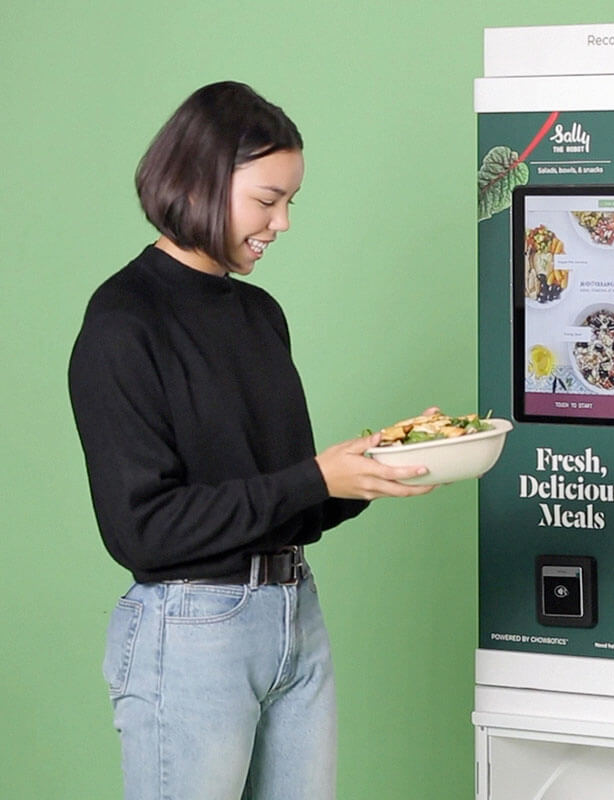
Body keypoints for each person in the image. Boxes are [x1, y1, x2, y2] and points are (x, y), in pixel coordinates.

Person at [68, 81, 432, 800]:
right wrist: (315, 480)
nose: (283, 223)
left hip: (295, 613)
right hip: (192, 631)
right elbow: (143, 530)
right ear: (199, 180)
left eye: (291, 202)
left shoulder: (261, 313)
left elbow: (283, 501)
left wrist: (371, 467)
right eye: (267, 201)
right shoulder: (122, 322)